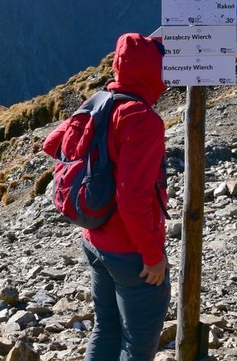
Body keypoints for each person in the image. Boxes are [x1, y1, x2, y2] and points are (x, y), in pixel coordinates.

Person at [81, 32, 171, 361]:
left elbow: (54, 145)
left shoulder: (99, 102)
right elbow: (133, 199)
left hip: (94, 239)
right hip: (129, 251)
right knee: (136, 343)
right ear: (152, 70)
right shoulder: (142, 119)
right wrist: (151, 256)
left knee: (105, 328)